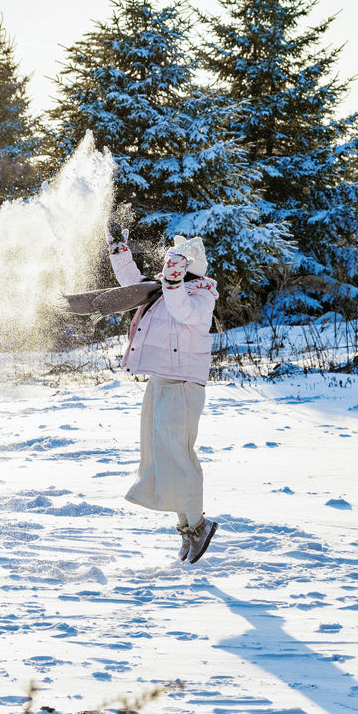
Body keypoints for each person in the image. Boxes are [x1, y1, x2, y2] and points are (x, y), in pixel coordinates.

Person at [106, 229, 219, 564]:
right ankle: (187, 527)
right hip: (159, 381)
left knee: (178, 455)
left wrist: (173, 281)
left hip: (183, 385)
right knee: (160, 456)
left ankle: (198, 526)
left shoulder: (201, 298)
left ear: (189, 269)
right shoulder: (161, 291)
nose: (171, 271)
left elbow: (181, 308)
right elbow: (131, 282)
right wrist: (118, 248)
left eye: (178, 266)